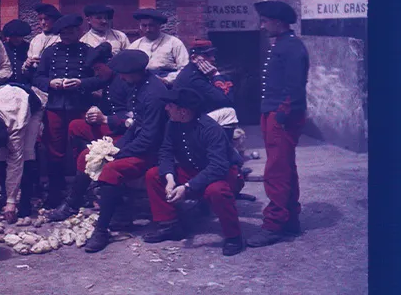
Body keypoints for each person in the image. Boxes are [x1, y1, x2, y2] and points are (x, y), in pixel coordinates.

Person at [48, 50, 168, 254]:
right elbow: (135, 127)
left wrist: (118, 154)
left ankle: (102, 230)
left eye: (124, 74)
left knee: (110, 170)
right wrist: (115, 149)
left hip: (152, 151)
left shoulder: (154, 94)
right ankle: (72, 203)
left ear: (135, 72)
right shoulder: (139, 85)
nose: (121, 78)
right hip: (138, 142)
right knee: (87, 156)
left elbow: (150, 139)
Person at [142, 88, 247, 256]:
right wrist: (169, 178)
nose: (166, 108)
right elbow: (166, 151)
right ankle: (170, 225)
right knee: (153, 175)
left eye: (170, 105)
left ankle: (234, 236)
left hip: (222, 174)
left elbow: (218, 166)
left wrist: (187, 187)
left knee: (217, 190)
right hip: (192, 171)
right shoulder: (173, 124)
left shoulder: (210, 129)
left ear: (183, 111)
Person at [247, 0, 309, 247]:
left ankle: (274, 224)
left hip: (281, 115)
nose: (262, 26)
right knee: (285, 167)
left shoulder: (291, 48)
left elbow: (294, 87)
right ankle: (290, 219)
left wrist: (282, 115)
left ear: (278, 22)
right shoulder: (282, 45)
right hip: (272, 112)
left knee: (275, 170)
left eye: (265, 21)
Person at [33, 14, 109, 208]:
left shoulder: (88, 51)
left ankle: (82, 192)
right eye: (63, 34)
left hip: (80, 106)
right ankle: (55, 192)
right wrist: (50, 83)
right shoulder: (50, 52)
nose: (66, 37)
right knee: (54, 151)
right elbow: (38, 77)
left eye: (70, 33)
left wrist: (81, 83)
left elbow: (101, 79)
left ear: (79, 31)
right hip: (56, 107)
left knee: (83, 150)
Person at [0, 84, 48, 223]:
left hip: (29, 105)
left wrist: (12, 202)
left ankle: (25, 201)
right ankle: (4, 195)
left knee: (26, 153)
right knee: (0, 154)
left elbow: (15, 163)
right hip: (2, 104)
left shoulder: (17, 125)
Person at [128, 8, 189, 84]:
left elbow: (185, 68)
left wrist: (168, 80)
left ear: (159, 25)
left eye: (151, 25)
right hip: (142, 84)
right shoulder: (135, 45)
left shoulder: (174, 43)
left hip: (167, 83)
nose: (147, 29)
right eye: (144, 26)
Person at [24, 3, 61, 73]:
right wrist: (27, 64)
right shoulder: (35, 40)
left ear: (55, 20)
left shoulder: (60, 39)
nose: (43, 22)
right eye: (40, 19)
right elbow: (25, 68)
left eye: (46, 19)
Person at [1, 19, 34, 85]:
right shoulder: (2, 47)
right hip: (6, 84)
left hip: (25, 83)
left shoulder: (29, 47)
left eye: (19, 36)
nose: (17, 39)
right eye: (14, 37)